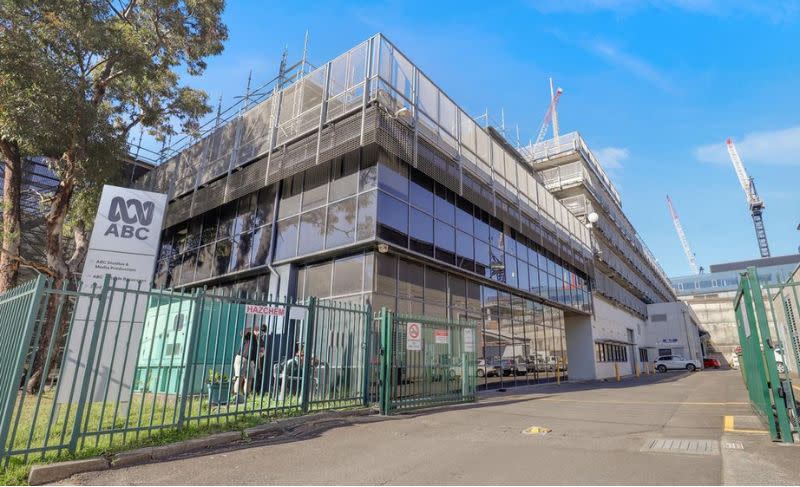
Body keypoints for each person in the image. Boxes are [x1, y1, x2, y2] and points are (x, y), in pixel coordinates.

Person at [233, 324, 266, 397]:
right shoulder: (248, 335)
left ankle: (246, 395)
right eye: (260, 331)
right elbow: (242, 332)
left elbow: (262, 350)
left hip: (251, 361)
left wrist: (261, 352)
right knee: (240, 377)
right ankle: (236, 396)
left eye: (263, 332)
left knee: (249, 378)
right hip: (242, 358)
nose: (261, 333)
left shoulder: (260, 340)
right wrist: (253, 330)